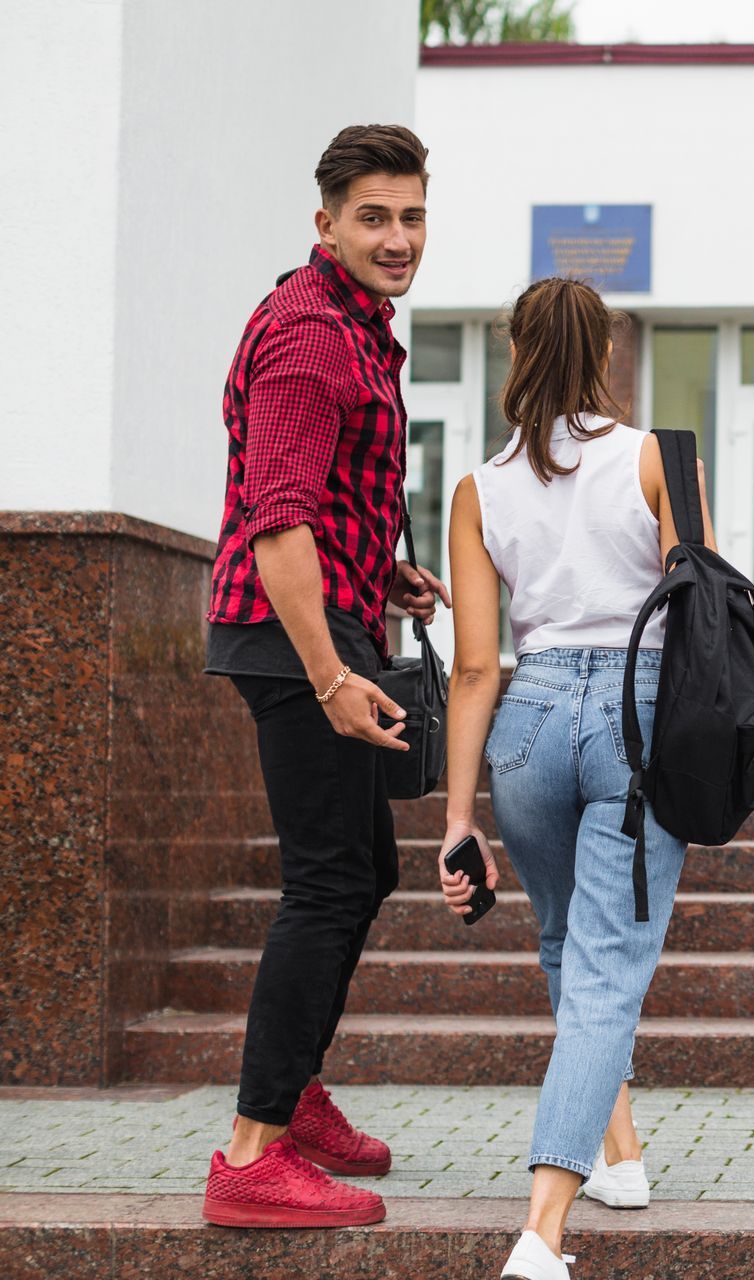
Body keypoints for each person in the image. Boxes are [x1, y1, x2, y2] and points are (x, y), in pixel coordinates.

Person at [437, 276, 714, 1280]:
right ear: (604, 352)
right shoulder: (651, 458)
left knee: (571, 945)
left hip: (529, 720)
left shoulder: (479, 487)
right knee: (605, 965)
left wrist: (459, 814)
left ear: (515, 351)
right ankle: (543, 1229)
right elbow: (701, 609)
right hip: (635, 719)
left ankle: (622, 1152)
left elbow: (474, 665)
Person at [200, 124, 443, 1229]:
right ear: (327, 223)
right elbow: (277, 524)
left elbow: (315, 499)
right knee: (330, 881)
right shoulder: (310, 335)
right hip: (293, 637)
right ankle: (251, 1152)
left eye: (412, 216)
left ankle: (292, 1098)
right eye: (375, 217)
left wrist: (379, 566)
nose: (398, 238)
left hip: (326, 615)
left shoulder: (354, 323)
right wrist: (330, 674)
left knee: (362, 867)